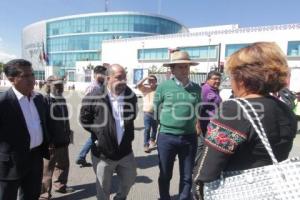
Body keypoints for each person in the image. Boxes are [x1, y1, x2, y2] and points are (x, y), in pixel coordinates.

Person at [193, 42, 298, 199]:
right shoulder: (285, 109)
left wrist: (197, 189)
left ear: (242, 77)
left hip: (238, 190)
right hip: (272, 190)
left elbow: (207, 170)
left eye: (231, 75)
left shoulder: (235, 109)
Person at [80, 64, 137, 200]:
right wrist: (100, 133)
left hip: (125, 152)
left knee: (130, 179)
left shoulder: (131, 96)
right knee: (103, 188)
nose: (123, 81)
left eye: (124, 77)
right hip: (102, 154)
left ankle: (119, 198)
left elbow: (132, 115)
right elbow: (84, 119)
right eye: (118, 78)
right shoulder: (94, 97)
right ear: (108, 78)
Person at [154, 51, 201, 200]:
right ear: (172, 70)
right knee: (165, 174)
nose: (184, 70)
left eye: (186, 67)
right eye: (180, 67)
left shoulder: (197, 88)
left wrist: (197, 123)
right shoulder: (163, 87)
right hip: (167, 137)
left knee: (187, 175)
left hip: (189, 138)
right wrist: (157, 129)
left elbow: (198, 109)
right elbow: (155, 108)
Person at [0, 59, 50, 200]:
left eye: (32, 74)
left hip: (35, 158)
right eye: (25, 76)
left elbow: (42, 123)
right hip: (10, 163)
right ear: (12, 79)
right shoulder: (3, 103)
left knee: (32, 195)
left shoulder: (39, 99)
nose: (32, 79)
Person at [39, 76, 74, 199]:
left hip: (63, 140)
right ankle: (44, 195)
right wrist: (48, 141)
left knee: (63, 166)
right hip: (51, 143)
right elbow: (42, 123)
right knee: (47, 171)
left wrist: (69, 134)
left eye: (61, 85)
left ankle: (60, 186)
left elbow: (65, 119)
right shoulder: (44, 100)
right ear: (49, 85)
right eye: (57, 85)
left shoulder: (62, 99)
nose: (60, 87)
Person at [76, 65, 107, 166]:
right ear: (95, 75)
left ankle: (81, 157)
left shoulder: (101, 85)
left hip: (98, 116)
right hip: (92, 117)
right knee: (98, 136)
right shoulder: (93, 87)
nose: (104, 76)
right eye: (101, 74)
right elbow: (86, 104)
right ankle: (83, 156)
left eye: (104, 74)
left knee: (94, 137)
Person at [136, 75, 158, 153]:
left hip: (156, 113)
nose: (151, 82)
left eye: (153, 80)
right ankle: (146, 145)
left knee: (155, 129)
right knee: (147, 129)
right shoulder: (145, 89)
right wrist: (145, 78)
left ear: (156, 81)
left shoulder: (159, 89)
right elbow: (138, 85)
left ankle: (152, 140)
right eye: (150, 81)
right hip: (147, 113)